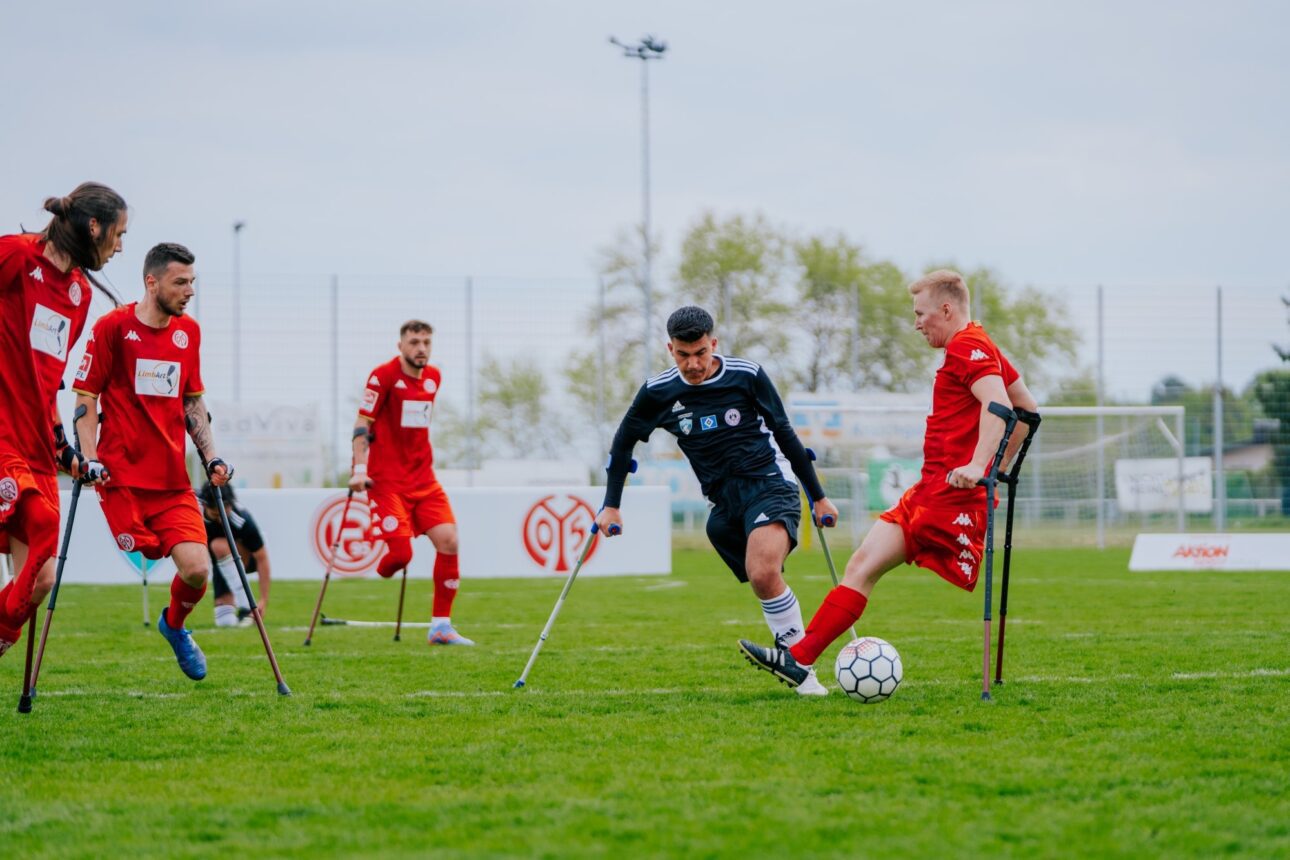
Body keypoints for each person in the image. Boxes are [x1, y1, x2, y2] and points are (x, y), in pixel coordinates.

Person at [739, 270, 1039, 691]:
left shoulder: (968, 346)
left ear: (946, 309)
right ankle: (798, 660)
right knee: (860, 565)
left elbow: (1001, 407)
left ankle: (799, 658)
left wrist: (979, 467)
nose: (916, 323)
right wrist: (997, 470)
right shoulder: (980, 342)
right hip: (930, 488)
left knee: (864, 568)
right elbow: (1028, 408)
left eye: (921, 314)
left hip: (948, 494)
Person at [595, 306, 840, 695]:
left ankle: (798, 663)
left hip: (769, 483)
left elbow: (785, 432)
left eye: (700, 353)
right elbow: (623, 445)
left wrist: (819, 497)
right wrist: (611, 504)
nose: (693, 364)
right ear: (669, 349)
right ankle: (792, 654)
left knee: (762, 571)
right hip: (723, 506)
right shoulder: (657, 392)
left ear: (714, 343)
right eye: (682, 355)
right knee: (761, 576)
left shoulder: (747, 375)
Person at [72, 242, 233, 680]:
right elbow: (85, 396)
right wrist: (89, 459)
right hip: (120, 478)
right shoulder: (112, 328)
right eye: (180, 282)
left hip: (172, 481)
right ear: (152, 281)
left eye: (192, 282)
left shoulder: (189, 333)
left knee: (198, 570)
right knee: (142, 548)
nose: (189, 291)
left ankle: (174, 627)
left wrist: (212, 455)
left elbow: (193, 402)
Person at [0, 183, 128, 657]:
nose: (119, 248)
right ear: (93, 227)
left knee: (42, 580)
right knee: (40, 529)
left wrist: (62, 445)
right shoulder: (14, 255)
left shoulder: (78, 293)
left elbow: (48, 382)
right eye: (118, 235)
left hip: (36, 445)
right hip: (2, 438)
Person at [350, 320, 473, 646]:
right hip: (388, 482)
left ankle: (441, 627)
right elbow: (363, 421)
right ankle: (381, 567)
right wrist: (360, 467)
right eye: (415, 342)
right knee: (401, 555)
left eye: (426, 342)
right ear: (401, 345)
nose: (421, 348)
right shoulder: (383, 375)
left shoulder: (434, 377)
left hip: (424, 479)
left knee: (449, 541)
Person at [199, 481, 271, 628]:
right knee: (225, 623)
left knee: (218, 545)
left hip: (245, 559)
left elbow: (262, 558)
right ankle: (241, 608)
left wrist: (263, 599)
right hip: (220, 564)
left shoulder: (242, 519)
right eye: (215, 515)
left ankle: (246, 606)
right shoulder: (194, 513)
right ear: (205, 506)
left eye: (223, 514)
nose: (221, 520)